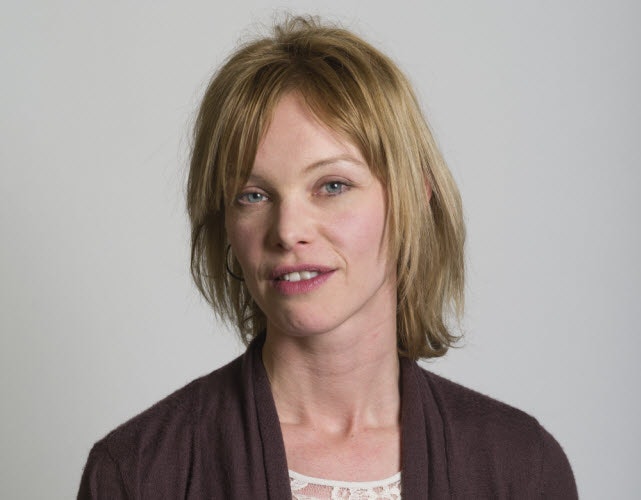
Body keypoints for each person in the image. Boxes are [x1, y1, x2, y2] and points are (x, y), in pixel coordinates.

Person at [78, 16, 577, 499]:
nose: (288, 231)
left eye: (332, 186)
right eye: (253, 195)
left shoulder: (520, 468)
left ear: (415, 195)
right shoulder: (139, 473)